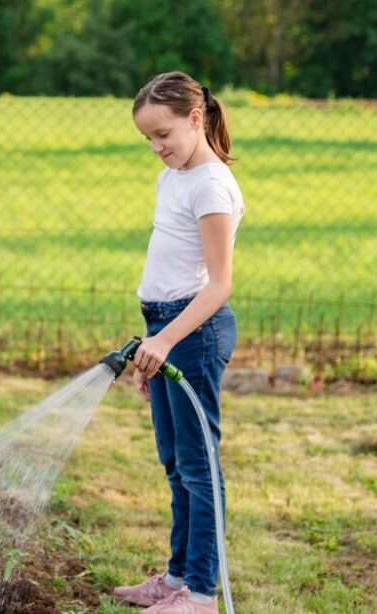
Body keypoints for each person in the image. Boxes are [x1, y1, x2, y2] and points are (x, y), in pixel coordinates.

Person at [112, 71, 243, 614]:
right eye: (147, 138)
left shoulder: (211, 185)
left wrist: (165, 341)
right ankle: (175, 579)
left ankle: (202, 595)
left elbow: (218, 285)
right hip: (164, 329)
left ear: (196, 119)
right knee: (175, 463)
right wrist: (151, 342)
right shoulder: (172, 178)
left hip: (193, 334)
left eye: (163, 134)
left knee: (199, 467)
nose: (156, 147)